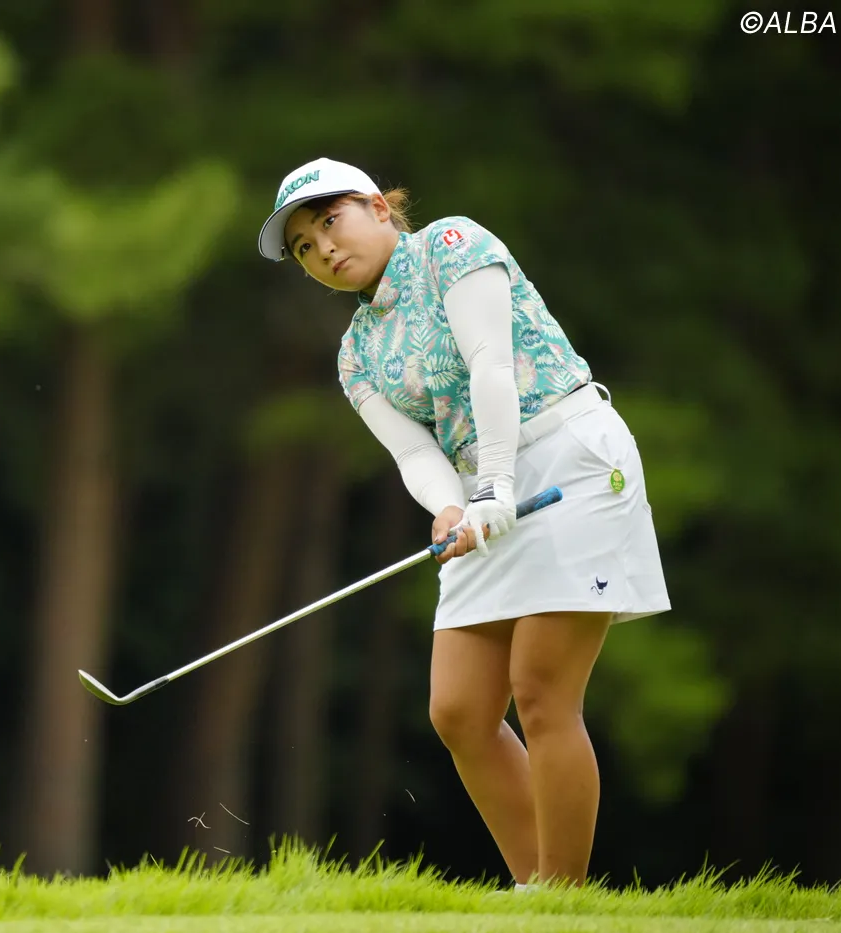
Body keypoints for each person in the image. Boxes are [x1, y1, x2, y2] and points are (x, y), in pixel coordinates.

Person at [257, 157, 670, 888]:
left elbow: (490, 364)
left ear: (379, 207)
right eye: (303, 247)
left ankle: (564, 900)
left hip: (568, 460)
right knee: (458, 711)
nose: (323, 249)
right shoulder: (356, 354)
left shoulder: (452, 245)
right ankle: (535, 887)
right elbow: (415, 452)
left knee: (540, 691)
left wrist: (497, 487)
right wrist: (450, 506)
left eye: (329, 221)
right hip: (483, 491)